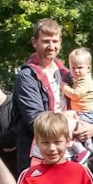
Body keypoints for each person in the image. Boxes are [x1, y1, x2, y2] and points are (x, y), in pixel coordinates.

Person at [13, 18, 80, 172]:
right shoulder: (27, 76)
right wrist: (75, 125)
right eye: (46, 41)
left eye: (55, 41)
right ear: (34, 42)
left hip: (67, 152)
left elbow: (83, 102)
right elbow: (36, 119)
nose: (51, 46)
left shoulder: (65, 73)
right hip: (38, 156)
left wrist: (92, 126)